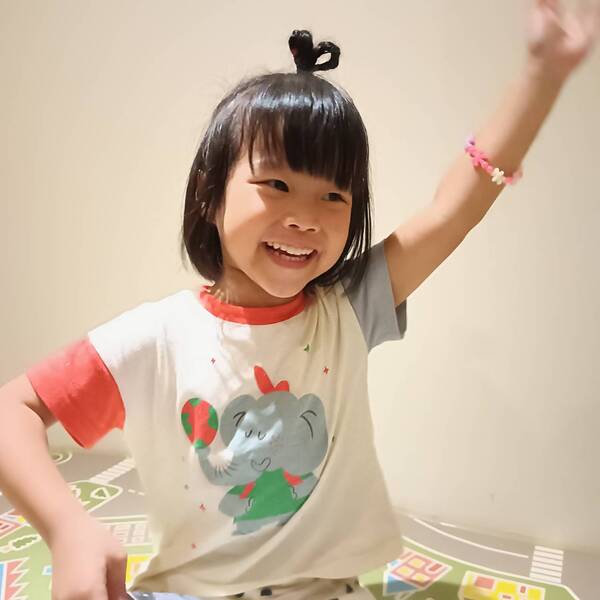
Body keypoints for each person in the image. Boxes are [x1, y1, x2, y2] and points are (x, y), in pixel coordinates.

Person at [1, 3, 599, 599]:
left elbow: (454, 208)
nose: (306, 218)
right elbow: (11, 413)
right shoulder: (156, 339)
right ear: (210, 195)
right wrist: (67, 528)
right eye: (277, 185)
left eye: (334, 196)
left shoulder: (350, 309)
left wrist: (542, 75)